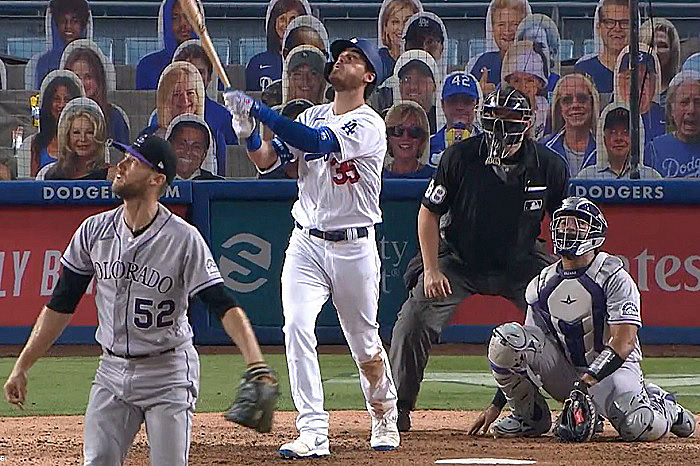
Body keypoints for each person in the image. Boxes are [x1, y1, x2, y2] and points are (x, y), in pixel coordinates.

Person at [3, 133, 278, 465]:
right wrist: (22, 366)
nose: (120, 165)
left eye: (133, 161)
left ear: (156, 179)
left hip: (168, 372)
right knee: (98, 460)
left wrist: (257, 363)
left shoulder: (183, 239)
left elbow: (223, 305)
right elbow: (60, 305)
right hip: (112, 370)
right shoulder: (94, 231)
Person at [224, 37, 400, 458]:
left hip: (354, 246)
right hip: (306, 241)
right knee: (297, 327)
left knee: (364, 342)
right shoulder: (313, 114)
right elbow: (269, 162)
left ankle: (384, 414)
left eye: (353, 58)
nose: (341, 61)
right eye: (339, 57)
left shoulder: (369, 123)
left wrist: (261, 111)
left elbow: (318, 142)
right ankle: (312, 430)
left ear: (369, 76)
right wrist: (248, 133)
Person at [389, 87, 569, 433]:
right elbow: (428, 213)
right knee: (413, 319)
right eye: (495, 118)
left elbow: (563, 224)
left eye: (510, 120)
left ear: (526, 124)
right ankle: (398, 406)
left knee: (564, 310)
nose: (501, 128)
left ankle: (542, 404)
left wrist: (560, 278)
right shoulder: (459, 157)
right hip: (459, 257)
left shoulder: (549, 166)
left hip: (520, 259)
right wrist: (430, 269)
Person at [467, 196, 696, 442]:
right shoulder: (542, 284)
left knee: (638, 427)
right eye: (562, 223)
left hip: (613, 374)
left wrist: (585, 384)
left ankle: (663, 405)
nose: (567, 229)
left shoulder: (614, 276)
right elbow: (527, 351)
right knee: (506, 340)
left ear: (595, 232)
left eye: (577, 224)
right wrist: (496, 403)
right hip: (568, 375)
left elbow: (624, 342)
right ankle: (528, 416)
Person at [173, 40, 238, 175]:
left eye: (200, 72)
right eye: (188, 70)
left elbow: (230, 160)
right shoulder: (159, 115)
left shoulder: (223, 116)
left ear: (209, 78)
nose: (194, 77)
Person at [143, 62, 216, 174]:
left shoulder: (211, 135)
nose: (185, 101)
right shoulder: (149, 137)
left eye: (190, 93)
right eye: (177, 94)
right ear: (165, 99)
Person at [16, 69, 84, 178]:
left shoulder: (85, 142)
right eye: (56, 99)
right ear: (48, 103)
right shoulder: (33, 144)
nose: (62, 105)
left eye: (67, 99)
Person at [61, 39, 130, 145]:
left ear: (98, 80)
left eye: (88, 77)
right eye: (76, 76)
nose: (81, 83)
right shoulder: (58, 113)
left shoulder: (115, 117)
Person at [578, 103, 661, 179]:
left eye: (625, 132)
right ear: (603, 138)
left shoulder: (651, 177)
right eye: (613, 132)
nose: (619, 138)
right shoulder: (586, 176)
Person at [245, 0, 311, 91]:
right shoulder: (257, 63)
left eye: (293, 19)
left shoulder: (312, 61)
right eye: (282, 19)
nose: (287, 24)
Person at [38, 97, 110, 180]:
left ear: (98, 136)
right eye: (76, 133)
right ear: (67, 136)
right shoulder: (53, 175)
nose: (83, 139)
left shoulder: (109, 175)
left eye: (89, 132)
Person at [26, 0, 91, 90]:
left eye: (74, 21)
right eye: (63, 21)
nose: (68, 26)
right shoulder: (40, 63)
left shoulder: (96, 62)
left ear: (83, 25)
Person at [468, 0, 531, 94]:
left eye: (515, 24)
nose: (507, 30)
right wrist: (479, 95)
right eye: (501, 24)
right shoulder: (483, 62)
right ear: (492, 28)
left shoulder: (538, 64)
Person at [645, 71, 700, 178]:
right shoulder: (654, 150)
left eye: (698, 102)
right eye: (684, 102)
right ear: (671, 110)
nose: (691, 110)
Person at [135, 0, 200, 90]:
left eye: (188, 16)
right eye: (175, 18)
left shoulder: (213, 65)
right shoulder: (147, 66)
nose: (183, 24)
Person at [543, 73, 599, 177]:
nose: (575, 105)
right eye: (567, 100)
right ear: (559, 108)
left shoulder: (606, 150)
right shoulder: (543, 149)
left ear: (592, 103)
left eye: (582, 99)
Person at [574, 0, 632, 94]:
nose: (617, 28)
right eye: (610, 22)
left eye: (624, 23)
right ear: (598, 28)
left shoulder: (643, 69)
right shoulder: (583, 69)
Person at [429, 71, 482, 168]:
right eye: (453, 101)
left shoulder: (489, 145)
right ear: (442, 105)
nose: (460, 107)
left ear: (477, 104)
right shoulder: (427, 146)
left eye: (466, 101)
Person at [613, 46, 665, 144]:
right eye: (629, 78)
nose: (638, 85)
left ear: (655, 83)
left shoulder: (667, 118)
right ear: (618, 83)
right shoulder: (608, 117)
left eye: (645, 78)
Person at [501, 40, 550, 140]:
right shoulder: (501, 110)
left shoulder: (546, 108)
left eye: (529, 81)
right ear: (508, 83)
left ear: (540, 84)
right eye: (516, 81)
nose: (522, 87)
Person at [393, 50, 441, 133]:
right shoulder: (388, 121)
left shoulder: (443, 123)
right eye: (407, 79)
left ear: (435, 86)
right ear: (399, 86)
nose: (413, 87)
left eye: (421, 80)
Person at [383, 101, 433, 178]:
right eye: (398, 130)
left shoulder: (435, 177)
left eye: (414, 131)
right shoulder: (376, 177)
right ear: (388, 136)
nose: (405, 137)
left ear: (422, 139)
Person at [377, 0, 423, 84]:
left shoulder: (423, 60)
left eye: (407, 21)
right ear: (385, 27)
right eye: (395, 22)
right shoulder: (377, 62)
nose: (401, 27)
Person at [166, 114, 224, 180]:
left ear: (204, 155)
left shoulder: (219, 185)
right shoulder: (154, 182)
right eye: (181, 144)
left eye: (196, 147)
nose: (188, 152)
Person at [515, 14, 561, 95]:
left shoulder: (560, 86)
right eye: (528, 45)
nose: (534, 52)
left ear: (551, 53)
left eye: (540, 46)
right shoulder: (512, 84)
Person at [641, 18, 681, 107]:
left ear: (672, 51)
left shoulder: (681, 91)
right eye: (650, 45)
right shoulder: (627, 91)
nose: (655, 51)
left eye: (662, 46)